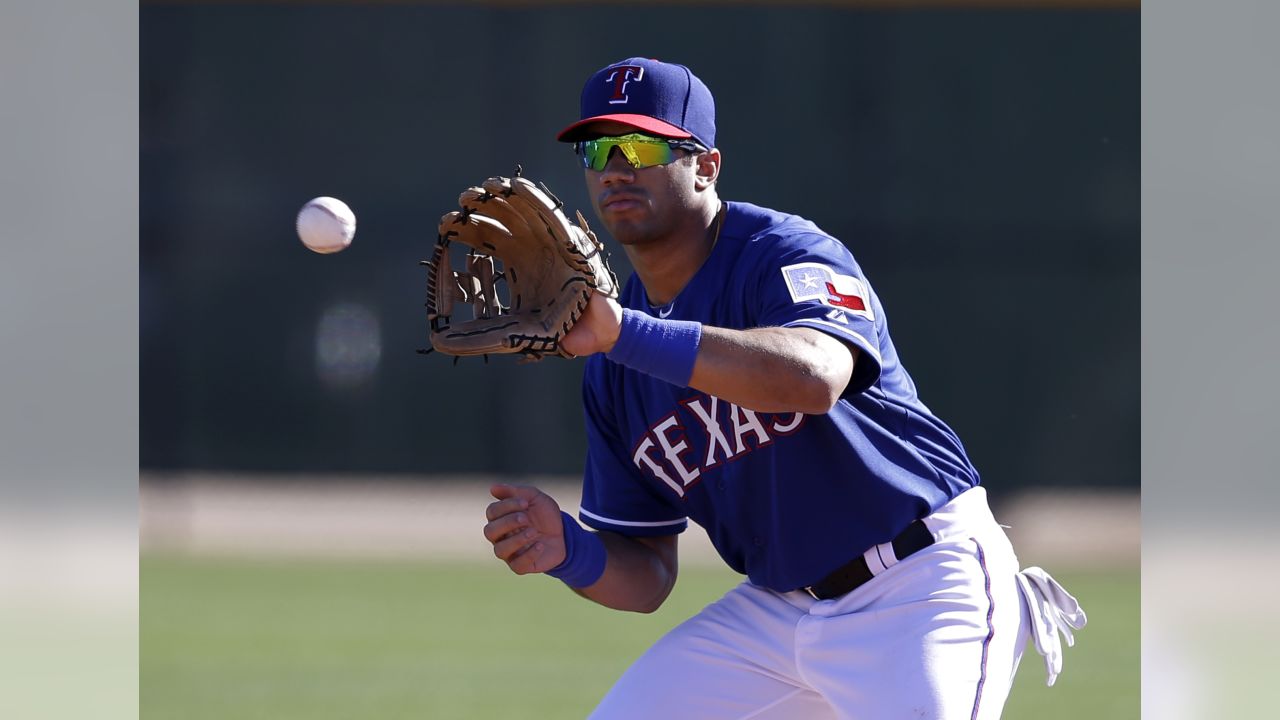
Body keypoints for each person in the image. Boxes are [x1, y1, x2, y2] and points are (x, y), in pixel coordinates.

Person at [482, 57, 1082, 719]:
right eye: (597, 149)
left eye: (644, 144)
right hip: (776, 614)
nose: (617, 167)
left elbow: (814, 377)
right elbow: (647, 573)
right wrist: (570, 550)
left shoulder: (781, 253)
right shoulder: (611, 358)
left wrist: (625, 334)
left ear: (706, 166)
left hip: (921, 584)